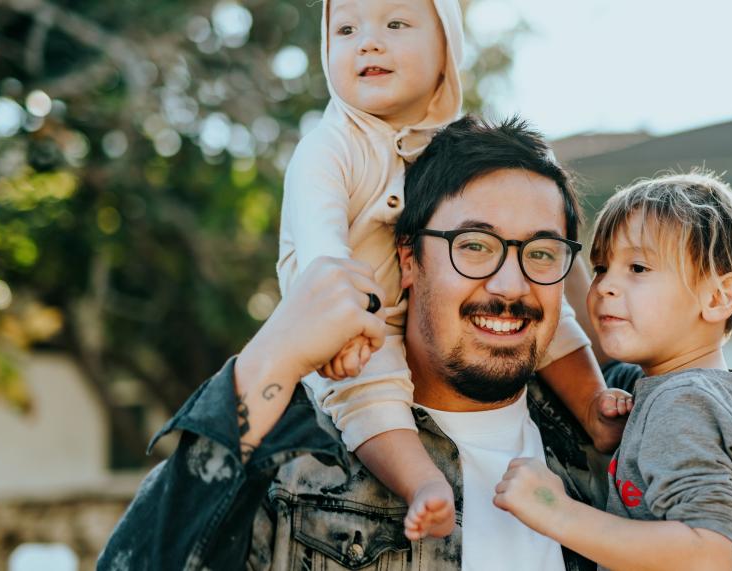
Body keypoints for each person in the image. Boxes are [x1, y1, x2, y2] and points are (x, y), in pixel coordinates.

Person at [98, 115, 639, 571]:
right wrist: (275, 352)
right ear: (408, 260)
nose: (510, 285)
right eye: (474, 246)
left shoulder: (629, 434)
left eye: (541, 253)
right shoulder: (298, 455)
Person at [276, 0, 626, 540]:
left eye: (395, 25)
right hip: (352, 326)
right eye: (345, 29)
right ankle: (422, 483)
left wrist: (548, 244)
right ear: (410, 253)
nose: (368, 42)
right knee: (368, 394)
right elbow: (323, 254)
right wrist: (340, 326)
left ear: (447, 51)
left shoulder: (456, 146)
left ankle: (593, 403)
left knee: (548, 316)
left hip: (400, 311)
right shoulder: (329, 149)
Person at [494, 172, 732, 570]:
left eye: (637, 267)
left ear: (718, 297)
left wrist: (554, 511)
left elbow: (707, 554)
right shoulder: (667, 391)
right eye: (600, 267)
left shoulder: (683, 404)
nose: (604, 288)